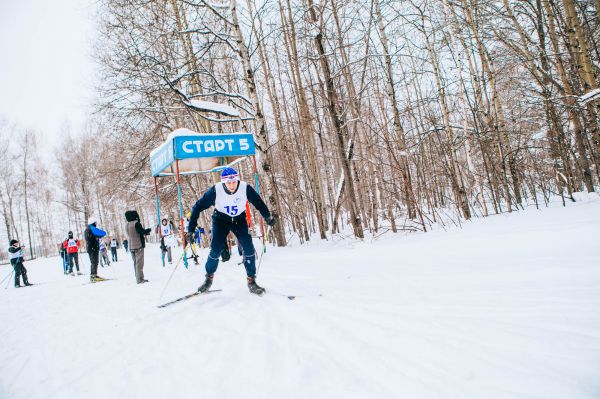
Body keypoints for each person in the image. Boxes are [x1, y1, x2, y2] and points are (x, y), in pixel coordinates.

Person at [187, 167, 277, 295]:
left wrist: (267, 217)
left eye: (234, 182)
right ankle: (208, 278)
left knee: (249, 248)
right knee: (216, 249)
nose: (231, 185)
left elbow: (258, 202)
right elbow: (197, 207)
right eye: (228, 183)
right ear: (224, 182)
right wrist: (190, 230)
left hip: (239, 220)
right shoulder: (215, 190)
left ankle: (251, 281)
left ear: (237, 180)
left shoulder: (244, 188)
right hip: (220, 220)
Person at [125, 210, 151, 284]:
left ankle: (138, 277)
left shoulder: (127, 224)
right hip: (138, 245)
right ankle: (140, 279)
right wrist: (148, 230)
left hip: (131, 246)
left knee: (135, 263)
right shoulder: (136, 223)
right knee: (139, 263)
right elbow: (141, 232)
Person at [84, 216, 107, 282]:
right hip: (93, 248)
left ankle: (94, 275)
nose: (96, 224)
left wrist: (97, 236)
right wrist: (99, 235)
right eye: (95, 223)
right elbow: (103, 233)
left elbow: (91, 237)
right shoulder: (92, 228)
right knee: (94, 262)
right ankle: (93, 276)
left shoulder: (87, 229)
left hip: (90, 247)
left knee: (93, 262)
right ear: (93, 223)